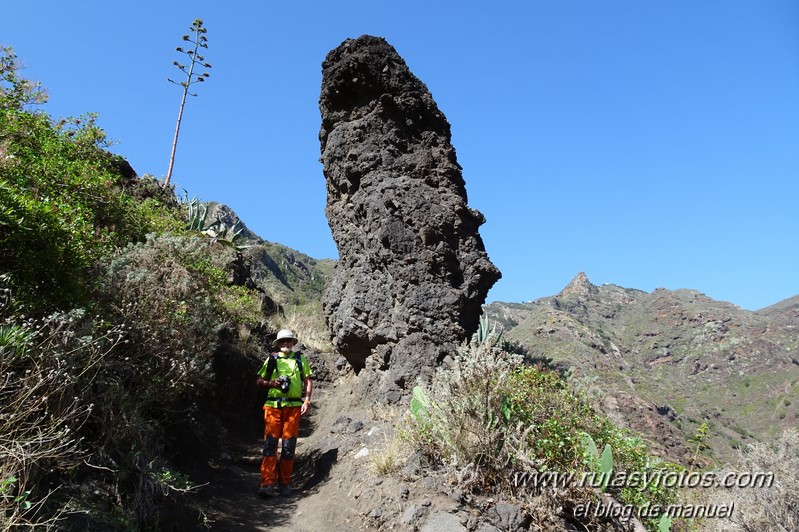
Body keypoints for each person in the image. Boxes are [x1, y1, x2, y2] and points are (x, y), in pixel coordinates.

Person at [255, 329, 313, 497]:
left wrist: (307, 401)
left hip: (294, 407)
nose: (286, 344)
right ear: (278, 344)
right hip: (273, 407)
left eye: (288, 341)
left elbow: (307, 381)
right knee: (270, 445)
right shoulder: (272, 359)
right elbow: (259, 381)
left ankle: (284, 483)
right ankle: (267, 484)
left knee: (288, 446)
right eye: (282, 341)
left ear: (293, 343)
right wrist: (272, 383)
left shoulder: (300, 359)